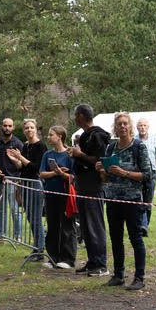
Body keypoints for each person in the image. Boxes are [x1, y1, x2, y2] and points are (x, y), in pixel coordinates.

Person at [98, 112, 154, 291]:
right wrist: (101, 169)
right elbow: (105, 178)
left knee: (135, 238)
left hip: (132, 200)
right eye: (119, 124)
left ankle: (139, 277)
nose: (122, 126)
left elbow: (147, 175)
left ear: (130, 126)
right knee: (115, 238)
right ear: (115, 128)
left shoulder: (139, 147)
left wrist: (125, 173)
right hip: (113, 199)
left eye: (125, 123)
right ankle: (118, 275)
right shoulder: (110, 148)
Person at [68, 104, 110, 277]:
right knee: (85, 226)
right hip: (82, 186)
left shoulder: (98, 135)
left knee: (95, 225)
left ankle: (101, 264)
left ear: (82, 116)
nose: (74, 118)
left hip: (94, 186)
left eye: (76, 115)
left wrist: (80, 155)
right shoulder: (85, 135)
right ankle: (92, 261)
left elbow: (100, 160)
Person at [38, 124, 77, 270]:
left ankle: (68, 258)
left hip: (66, 195)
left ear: (60, 136)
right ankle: (53, 256)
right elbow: (42, 173)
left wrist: (62, 174)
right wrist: (55, 173)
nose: (49, 137)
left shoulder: (69, 155)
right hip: (50, 194)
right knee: (52, 225)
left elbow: (73, 176)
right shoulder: (47, 155)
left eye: (51, 134)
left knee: (67, 226)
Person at [8, 119, 46, 256]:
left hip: (35, 183)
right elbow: (22, 167)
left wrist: (20, 157)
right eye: (27, 128)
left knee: (36, 217)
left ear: (36, 129)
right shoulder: (25, 146)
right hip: (25, 184)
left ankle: (40, 249)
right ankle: (36, 247)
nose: (29, 130)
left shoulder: (41, 146)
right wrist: (15, 160)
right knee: (29, 216)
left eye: (31, 127)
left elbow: (36, 167)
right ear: (23, 131)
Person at [0, 118, 24, 242]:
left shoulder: (18, 143)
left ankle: (18, 236)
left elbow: (22, 164)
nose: (7, 128)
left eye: (10, 126)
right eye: (5, 125)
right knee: (1, 210)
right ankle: (2, 235)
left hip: (13, 181)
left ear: (13, 127)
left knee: (14, 209)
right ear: (1, 127)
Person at [135, 117, 156, 236]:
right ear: (137, 127)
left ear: (148, 127)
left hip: (151, 173)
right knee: (138, 200)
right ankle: (141, 225)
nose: (142, 128)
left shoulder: (154, 140)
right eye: (140, 126)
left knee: (148, 201)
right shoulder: (133, 140)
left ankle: (145, 225)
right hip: (137, 174)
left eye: (144, 125)